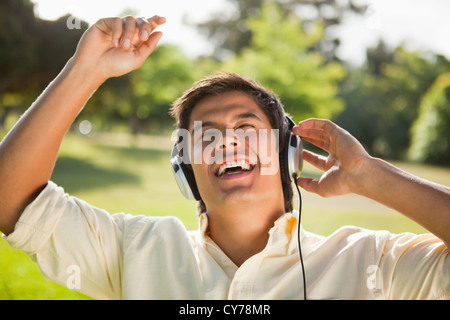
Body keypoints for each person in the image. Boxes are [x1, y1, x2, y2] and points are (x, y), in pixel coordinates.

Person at [0, 16, 449, 300]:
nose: (228, 143)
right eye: (208, 136)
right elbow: (9, 197)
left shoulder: (371, 261)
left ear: (286, 151)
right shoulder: (134, 249)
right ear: (187, 167)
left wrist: (371, 176)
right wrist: (87, 69)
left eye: (246, 128)